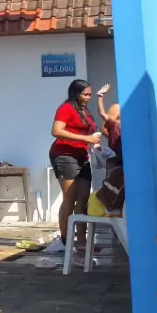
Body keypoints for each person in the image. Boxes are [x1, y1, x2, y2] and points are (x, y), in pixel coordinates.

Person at [47, 79, 104, 255]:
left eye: (89, 94)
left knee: (84, 199)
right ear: (76, 93)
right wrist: (86, 139)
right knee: (70, 198)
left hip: (82, 157)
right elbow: (56, 131)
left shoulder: (84, 111)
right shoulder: (66, 109)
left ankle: (82, 242)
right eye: (85, 94)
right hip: (65, 155)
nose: (88, 97)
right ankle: (65, 241)